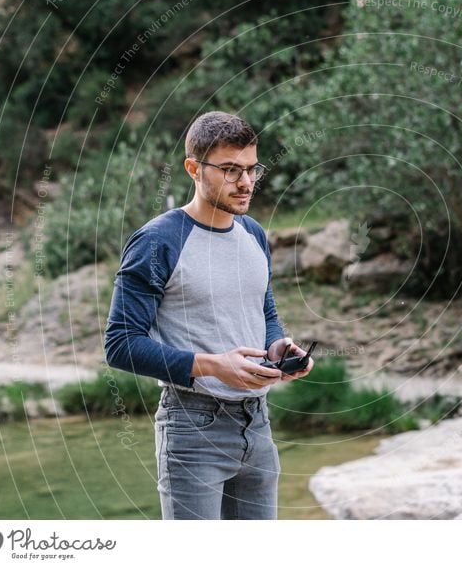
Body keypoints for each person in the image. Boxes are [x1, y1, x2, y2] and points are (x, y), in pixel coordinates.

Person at [104, 111, 314, 520]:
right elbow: (120, 344)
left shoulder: (252, 233)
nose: (246, 182)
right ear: (193, 169)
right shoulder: (158, 241)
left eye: (253, 169)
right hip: (192, 429)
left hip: (257, 426)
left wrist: (278, 347)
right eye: (231, 170)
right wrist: (213, 367)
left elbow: (263, 308)